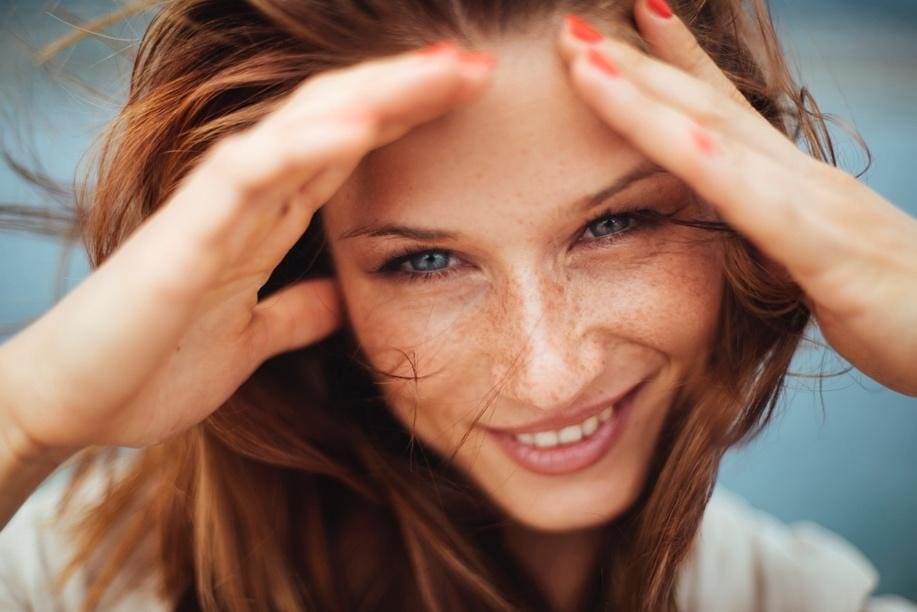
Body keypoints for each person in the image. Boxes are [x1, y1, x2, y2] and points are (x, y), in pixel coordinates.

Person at [0, 0, 915, 610]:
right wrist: (26, 415)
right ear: (300, 268)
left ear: (749, 203)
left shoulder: (788, 598)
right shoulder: (74, 578)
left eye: (616, 224)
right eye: (427, 259)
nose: (549, 371)